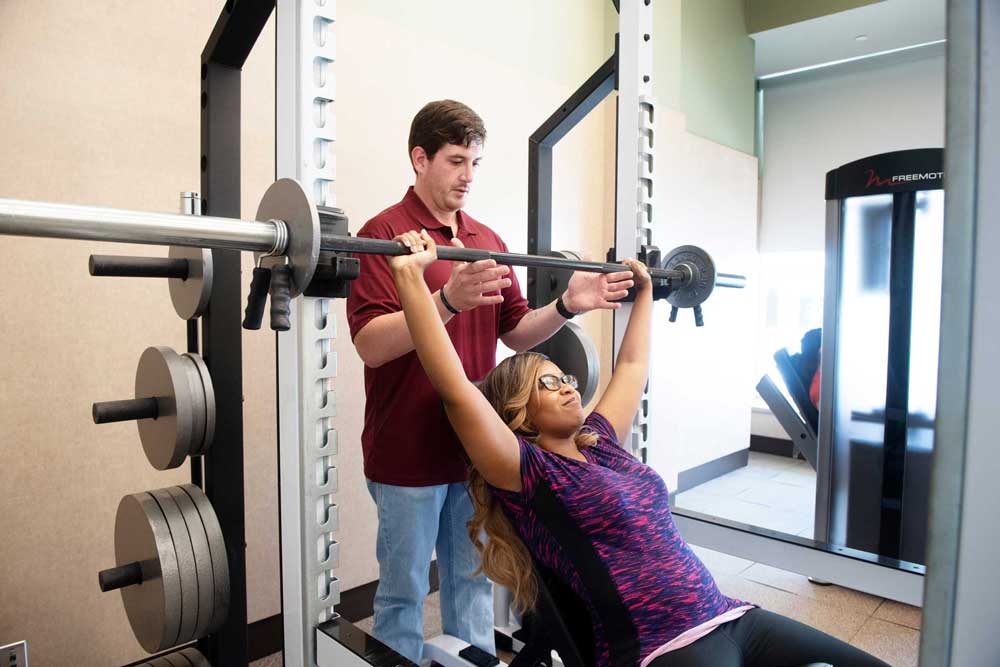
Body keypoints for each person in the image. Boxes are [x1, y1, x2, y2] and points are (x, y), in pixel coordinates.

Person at [387, 229, 891, 667]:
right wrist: (411, 280)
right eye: (548, 384)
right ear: (517, 414)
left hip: (729, 613)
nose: (568, 385)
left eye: (564, 376)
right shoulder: (528, 472)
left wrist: (647, 291)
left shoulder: (600, 443)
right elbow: (454, 387)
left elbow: (630, 368)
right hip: (663, 646)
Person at [346, 99, 634, 663]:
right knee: (403, 593)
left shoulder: (485, 239)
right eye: (456, 161)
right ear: (419, 158)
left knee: (473, 581)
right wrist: (447, 300)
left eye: (475, 162)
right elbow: (371, 345)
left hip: (479, 449)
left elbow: (519, 334)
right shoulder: (386, 234)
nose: (468, 176)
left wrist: (568, 306)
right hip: (407, 452)